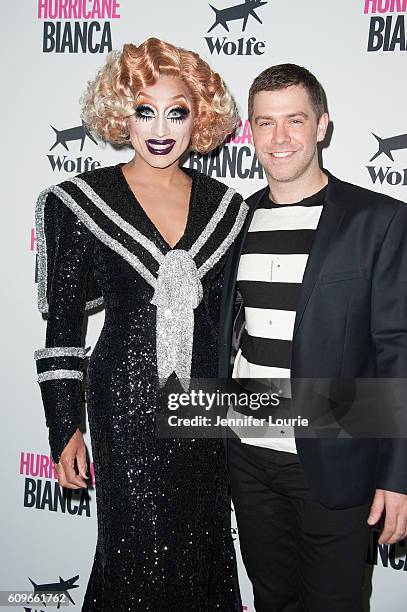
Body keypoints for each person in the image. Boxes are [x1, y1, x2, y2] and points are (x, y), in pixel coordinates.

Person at [34, 37, 248, 611]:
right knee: (132, 550)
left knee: (203, 545)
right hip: (123, 408)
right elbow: (63, 336)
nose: (160, 128)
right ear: (119, 112)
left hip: (205, 406)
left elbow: (233, 328)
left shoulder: (229, 207)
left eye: (176, 110)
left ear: (198, 116)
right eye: (143, 110)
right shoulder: (78, 202)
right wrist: (64, 429)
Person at [218, 63, 407, 611]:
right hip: (247, 456)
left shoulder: (380, 220)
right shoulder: (234, 221)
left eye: (294, 120)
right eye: (265, 123)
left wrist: (398, 474)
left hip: (335, 460)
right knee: (273, 600)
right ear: (249, 131)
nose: (279, 138)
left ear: (322, 125)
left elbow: (398, 352)